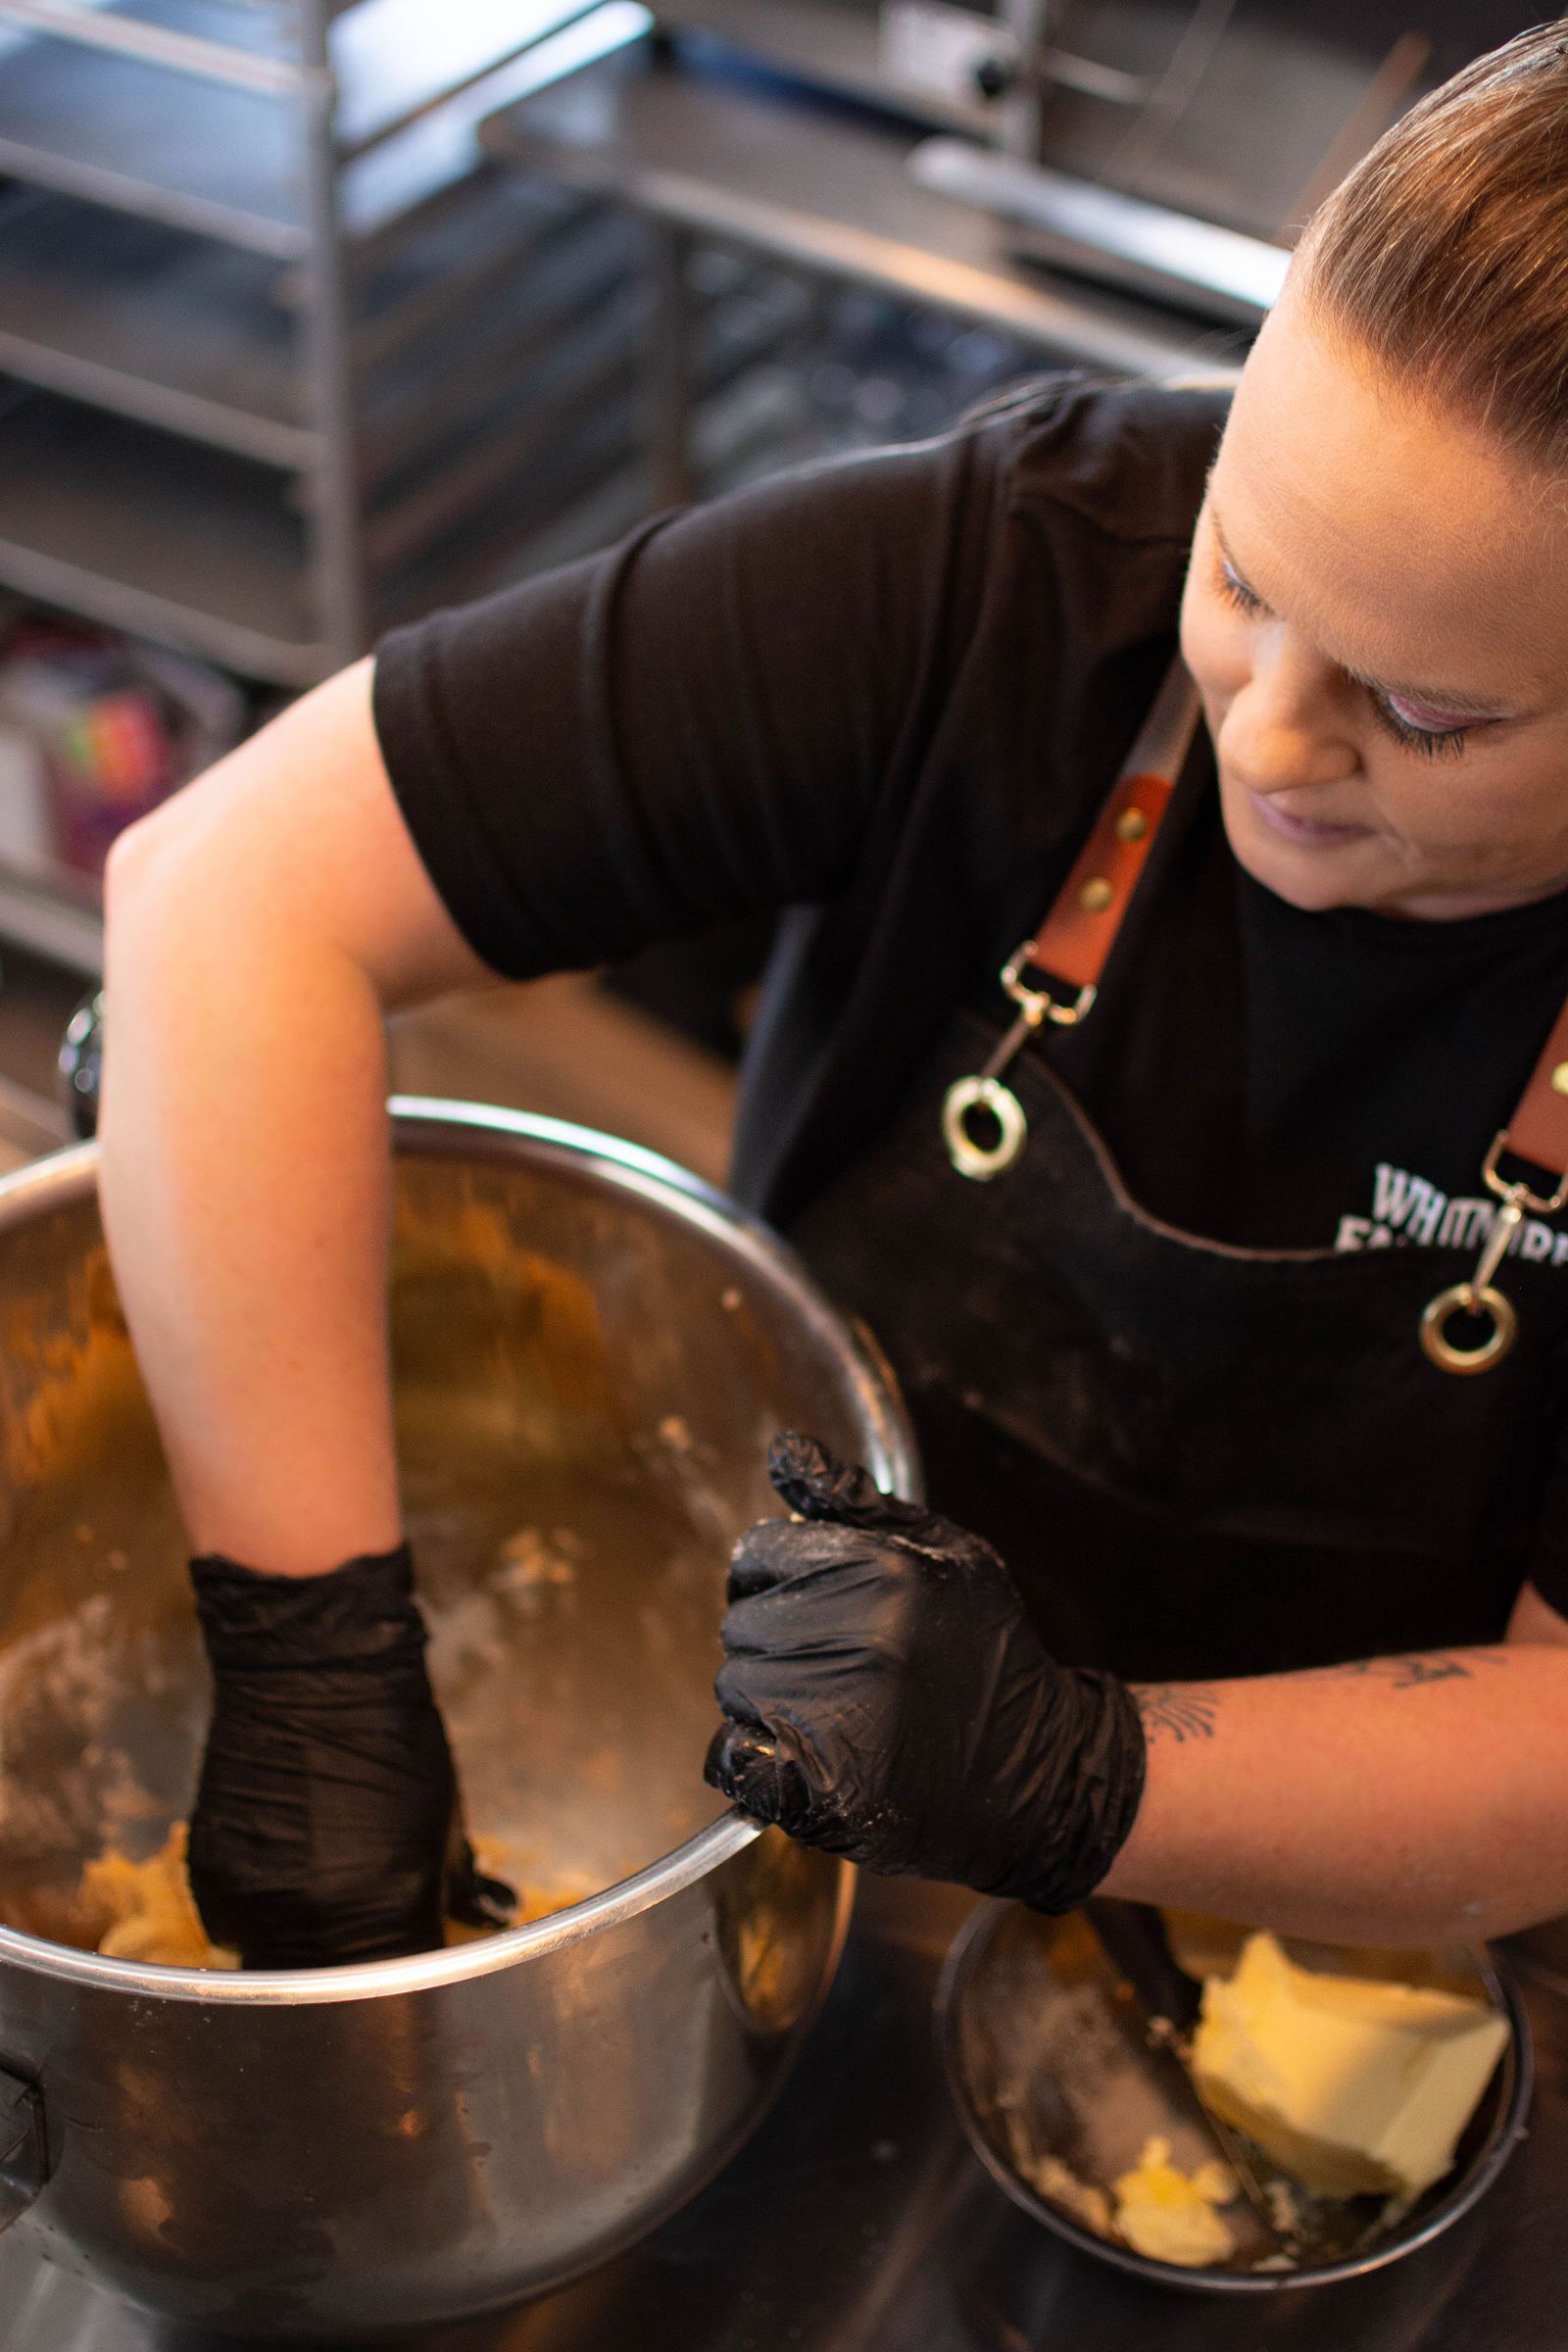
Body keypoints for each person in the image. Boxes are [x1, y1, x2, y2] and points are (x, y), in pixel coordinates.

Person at [99, 26, 1568, 1967]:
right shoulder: (1010, 571)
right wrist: (314, 1681)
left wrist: (1083, 1780)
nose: (1267, 741)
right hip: (771, 1765)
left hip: (1354, 1902)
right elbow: (227, 893)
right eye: (1240, 573)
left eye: (1421, 713)